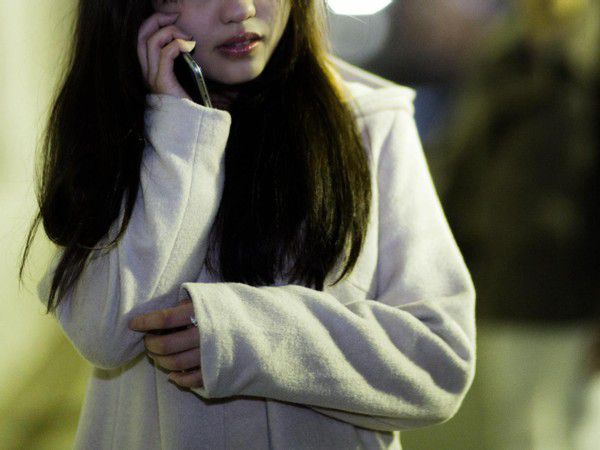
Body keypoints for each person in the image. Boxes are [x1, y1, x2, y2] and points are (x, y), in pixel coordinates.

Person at [21, 0, 476, 448]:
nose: (240, 9)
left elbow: (440, 363)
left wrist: (247, 334)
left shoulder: (368, 121)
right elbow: (106, 335)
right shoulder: (120, 131)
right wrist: (179, 130)